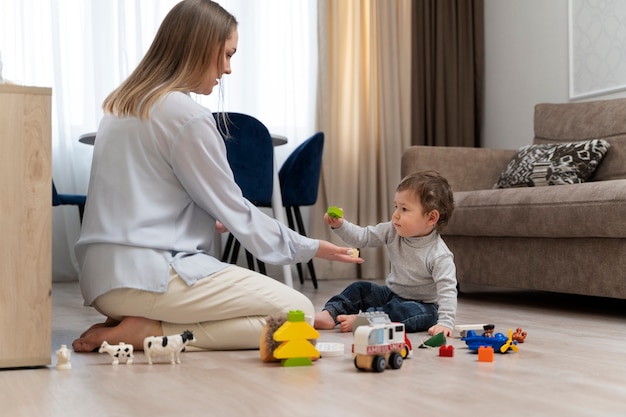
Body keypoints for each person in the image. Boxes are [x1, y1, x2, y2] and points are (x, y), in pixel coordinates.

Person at [71, 0, 363, 353]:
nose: (227, 69)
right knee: (298, 312)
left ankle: (136, 321)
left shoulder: (119, 109)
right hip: (151, 278)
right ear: (199, 48)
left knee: (284, 312)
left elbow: (144, 196)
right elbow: (238, 211)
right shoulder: (187, 116)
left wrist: (206, 213)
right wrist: (313, 247)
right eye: (226, 55)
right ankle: (151, 330)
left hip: (102, 283)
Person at [314, 171, 457, 337]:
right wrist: (340, 225)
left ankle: (365, 320)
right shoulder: (392, 230)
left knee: (403, 311)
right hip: (392, 294)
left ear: (431, 217)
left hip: (423, 306)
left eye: (404, 209)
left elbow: (447, 291)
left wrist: (445, 323)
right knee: (360, 288)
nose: (396, 214)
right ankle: (331, 314)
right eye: (396, 206)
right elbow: (363, 237)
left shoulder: (439, 255)